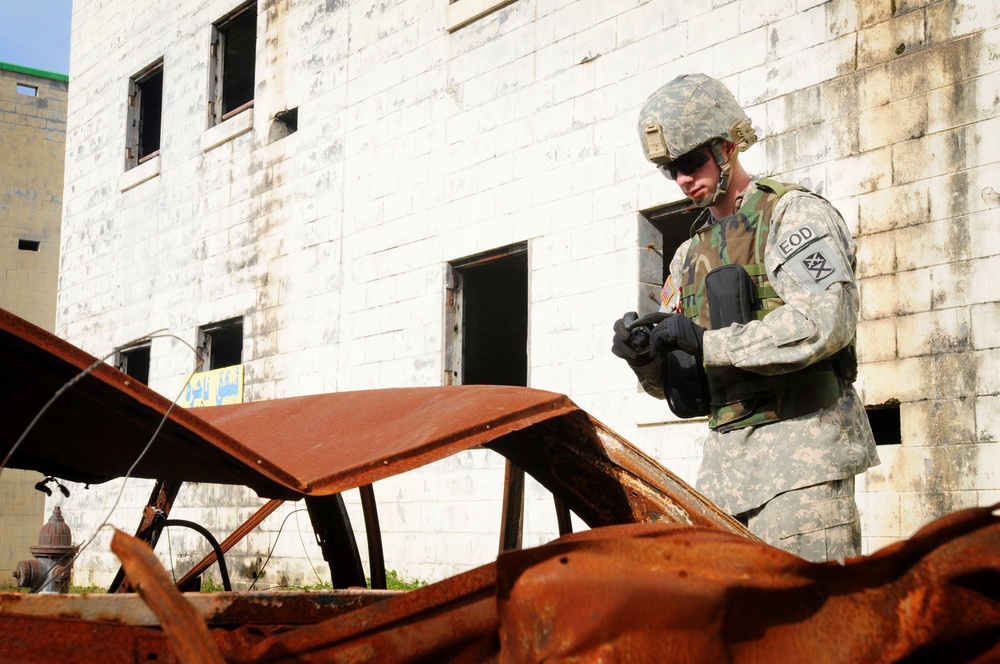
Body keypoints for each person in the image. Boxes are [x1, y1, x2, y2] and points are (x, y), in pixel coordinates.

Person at [612, 73, 879, 563]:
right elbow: (681, 382)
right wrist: (645, 359)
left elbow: (826, 321)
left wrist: (707, 342)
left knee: (813, 629)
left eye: (691, 162)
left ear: (728, 145)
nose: (684, 180)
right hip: (725, 481)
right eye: (671, 170)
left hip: (804, 469)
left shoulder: (793, 216)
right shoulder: (688, 256)